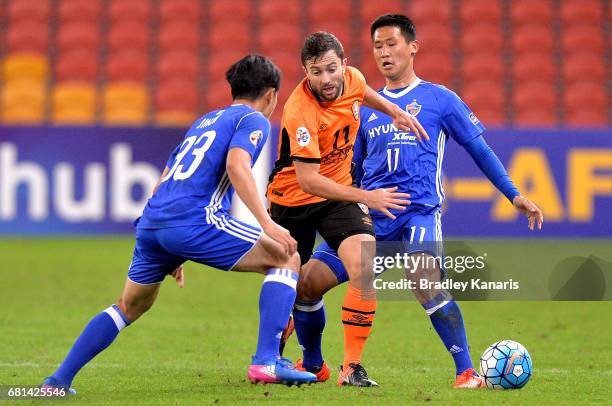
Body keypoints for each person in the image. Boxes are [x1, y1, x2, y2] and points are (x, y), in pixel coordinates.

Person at [289, 15, 544, 388]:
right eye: (377, 46)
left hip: (417, 214)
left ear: (413, 47)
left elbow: (479, 149)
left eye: (392, 43)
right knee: (308, 283)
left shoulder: (440, 99)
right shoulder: (360, 105)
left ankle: (466, 372)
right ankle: (314, 364)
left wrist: (514, 194)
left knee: (424, 279)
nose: (384, 52)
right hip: (371, 214)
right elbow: (352, 167)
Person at [41, 55, 318, 393]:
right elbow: (237, 166)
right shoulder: (253, 119)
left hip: (154, 221)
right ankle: (266, 361)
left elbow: (165, 179)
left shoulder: (205, 121)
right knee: (286, 257)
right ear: (272, 94)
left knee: (129, 305)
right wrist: (267, 223)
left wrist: (173, 248)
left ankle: (57, 381)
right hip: (193, 220)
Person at [267, 31, 428, 387]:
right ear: (305, 72)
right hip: (293, 201)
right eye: (315, 72)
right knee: (298, 286)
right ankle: (312, 363)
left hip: (337, 195)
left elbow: (362, 92)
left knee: (364, 266)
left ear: (344, 64)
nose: (325, 79)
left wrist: (395, 111)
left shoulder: (352, 79)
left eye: (331, 69)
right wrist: (367, 197)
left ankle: (350, 368)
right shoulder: (300, 111)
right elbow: (308, 180)